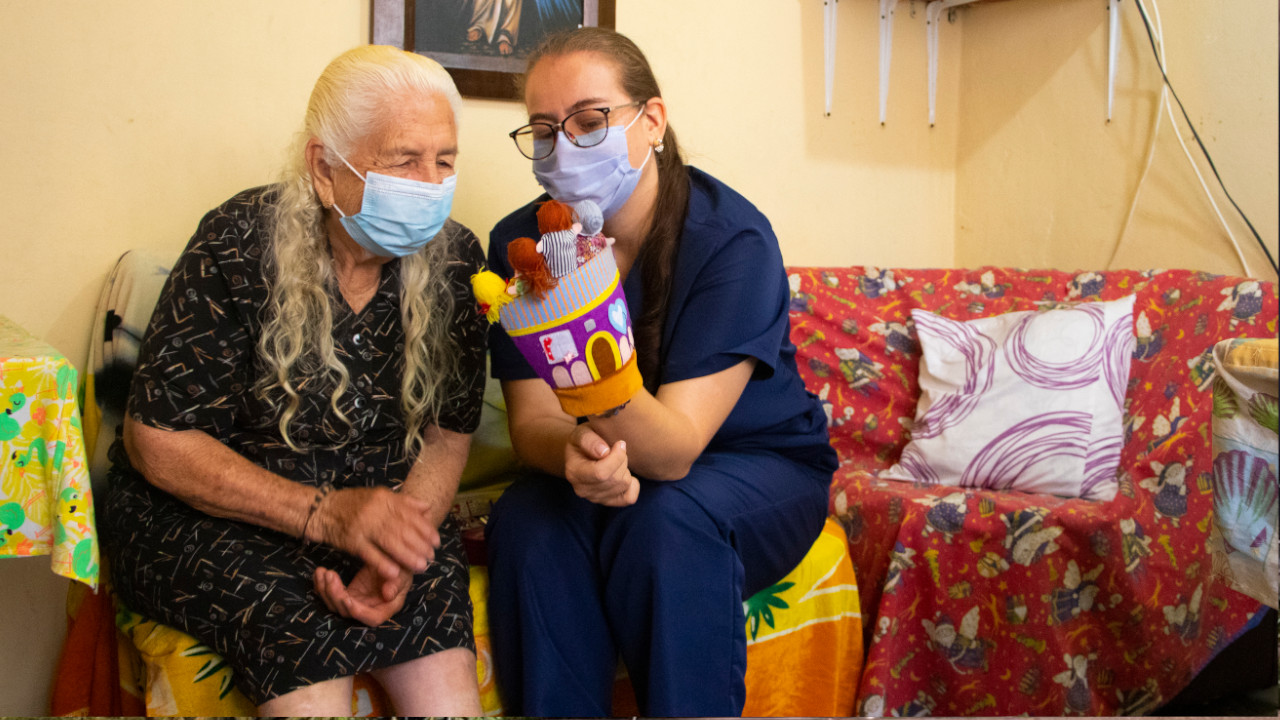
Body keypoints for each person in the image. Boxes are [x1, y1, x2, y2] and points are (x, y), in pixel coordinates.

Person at [100, 45, 487, 716]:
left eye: (445, 161)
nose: (430, 184)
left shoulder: (456, 262)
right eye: (404, 161)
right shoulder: (237, 243)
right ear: (324, 169)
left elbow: (448, 433)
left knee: (441, 666)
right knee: (299, 632)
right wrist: (325, 515)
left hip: (378, 514)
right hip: (225, 516)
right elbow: (157, 440)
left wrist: (400, 547)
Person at [484, 27, 839, 716]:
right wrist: (575, 456)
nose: (564, 147)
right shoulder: (521, 247)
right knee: (527, 521)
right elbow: (532, 425)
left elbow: (673, 452)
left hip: (751, 461)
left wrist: (578, 343)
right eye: (544, 131)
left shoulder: (731, 240)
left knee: (662, 522)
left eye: (590, 121)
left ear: (652, 121)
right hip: (610, 451)